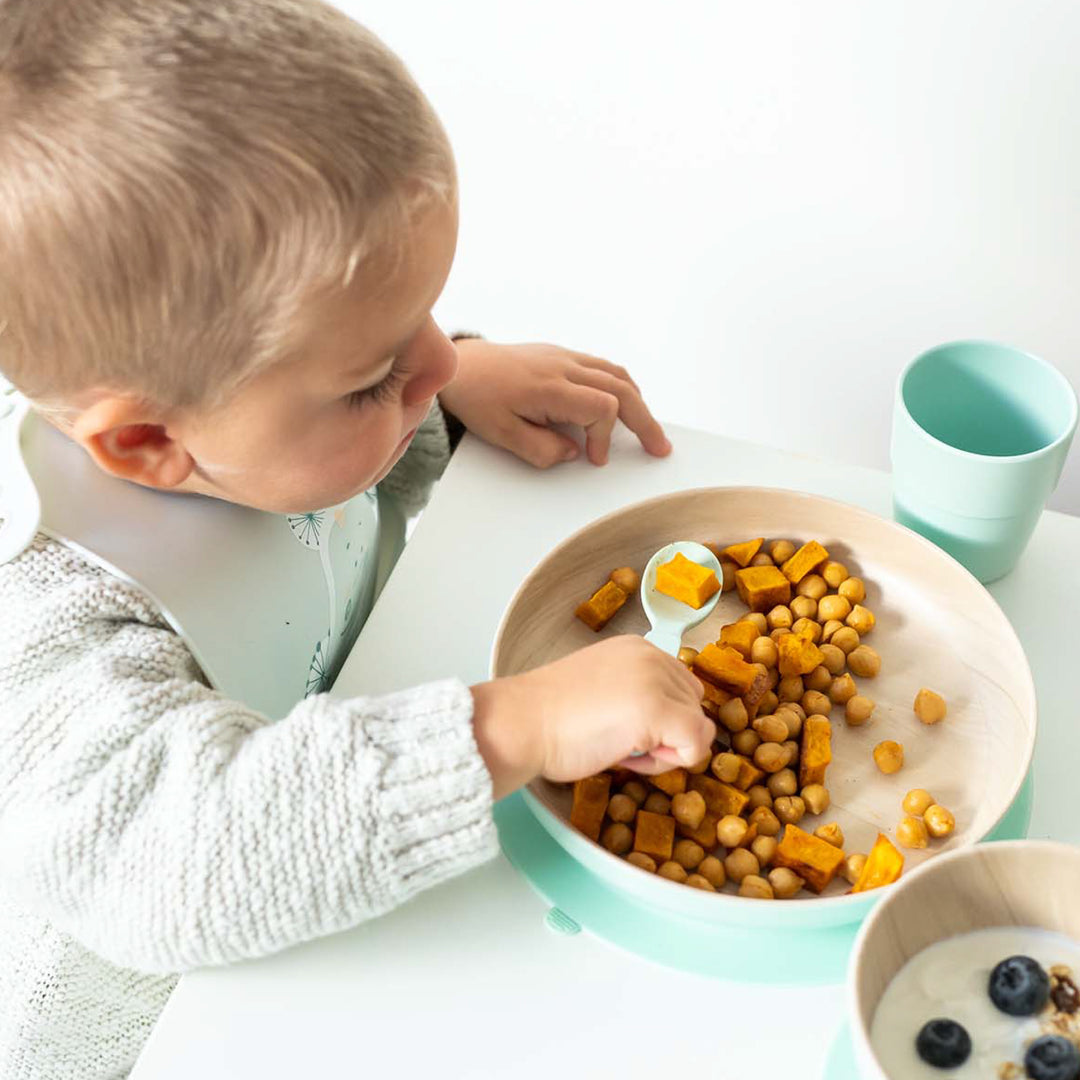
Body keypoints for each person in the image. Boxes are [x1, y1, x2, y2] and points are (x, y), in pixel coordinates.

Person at [0, 2, 713, 1076]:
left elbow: (308, 501)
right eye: (376, 376)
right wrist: (510, 729)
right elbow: (172, 868)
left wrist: (445, 393)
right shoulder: (48, 625)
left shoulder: (222, 414)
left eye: (426, 321)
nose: (435, 361)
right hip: (160, 1024)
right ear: (147, 442)